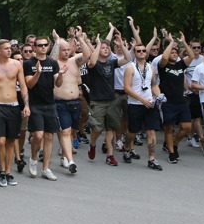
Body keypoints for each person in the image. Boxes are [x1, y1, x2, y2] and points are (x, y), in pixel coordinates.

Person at [0, 39, 30, 187]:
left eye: (10, 48)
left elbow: (23, 86)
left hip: (14, 106)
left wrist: (26, 105)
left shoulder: (17, 65)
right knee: (0, 140)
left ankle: (9, 172)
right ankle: (1, 170)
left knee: (11, 140)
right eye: (6, 48)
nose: (9, 50)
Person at [86, 25, 132, 166]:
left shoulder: (112, 63)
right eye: (103, 48)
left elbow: (128, 58)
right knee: (97, 129)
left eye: (107, 48)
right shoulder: (93, 64)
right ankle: (92, 144)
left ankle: (110, 155)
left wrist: (121, 44)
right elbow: (92, 61)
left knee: (111, 128)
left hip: (111, 100)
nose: (105, 49)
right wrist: (98, 45)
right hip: (97, 101)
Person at [123, 32, 165, 169]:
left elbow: (153, 84)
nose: (141, 52)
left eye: (143, 51)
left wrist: (158, 95)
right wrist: (142, 99)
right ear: (134, 53)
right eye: (138, 51)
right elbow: (127, 88)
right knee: (132, 132)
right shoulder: (130, 68)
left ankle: (152, 158)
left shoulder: (151, 67)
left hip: (149, 103)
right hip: (135, 104)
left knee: (151, 130)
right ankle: (127, 147)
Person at [23, 36, 61, 180]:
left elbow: (58, 84)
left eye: (45, 45)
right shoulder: (28, 64)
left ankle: (46, 168)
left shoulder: (53, 63)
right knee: (38, 136)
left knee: (50, 136)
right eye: (40, 45)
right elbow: (29, 84)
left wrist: (61, 75)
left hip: (50, 103)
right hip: (35, 104)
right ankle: (33, 159)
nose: (43, 47)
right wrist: (38, 72)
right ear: (35, 47)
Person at [158, 33, 197, 165]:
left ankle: (174, 144)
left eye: (176, 52)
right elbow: (164, 57)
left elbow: (191, 56)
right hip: (168, 102)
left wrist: (184, 42)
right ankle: (171, 152)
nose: (174, 54)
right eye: (172, 52)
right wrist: (171, 43)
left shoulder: (180, 65)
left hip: (181, 101)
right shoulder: (162, 66)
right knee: (169, 128)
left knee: (187, 126)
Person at [53, 30, 87, 175]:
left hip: (75, 102)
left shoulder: (74, 61)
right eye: (63, 50)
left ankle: (63, 156)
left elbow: (87, 55)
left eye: (68, 49)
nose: (66, 52)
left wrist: (80, 38)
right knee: (65, 131)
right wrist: (56, 40)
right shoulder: (54, 63)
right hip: (60, 102)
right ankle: (71, 161)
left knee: (71, 130)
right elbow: (57, 83)